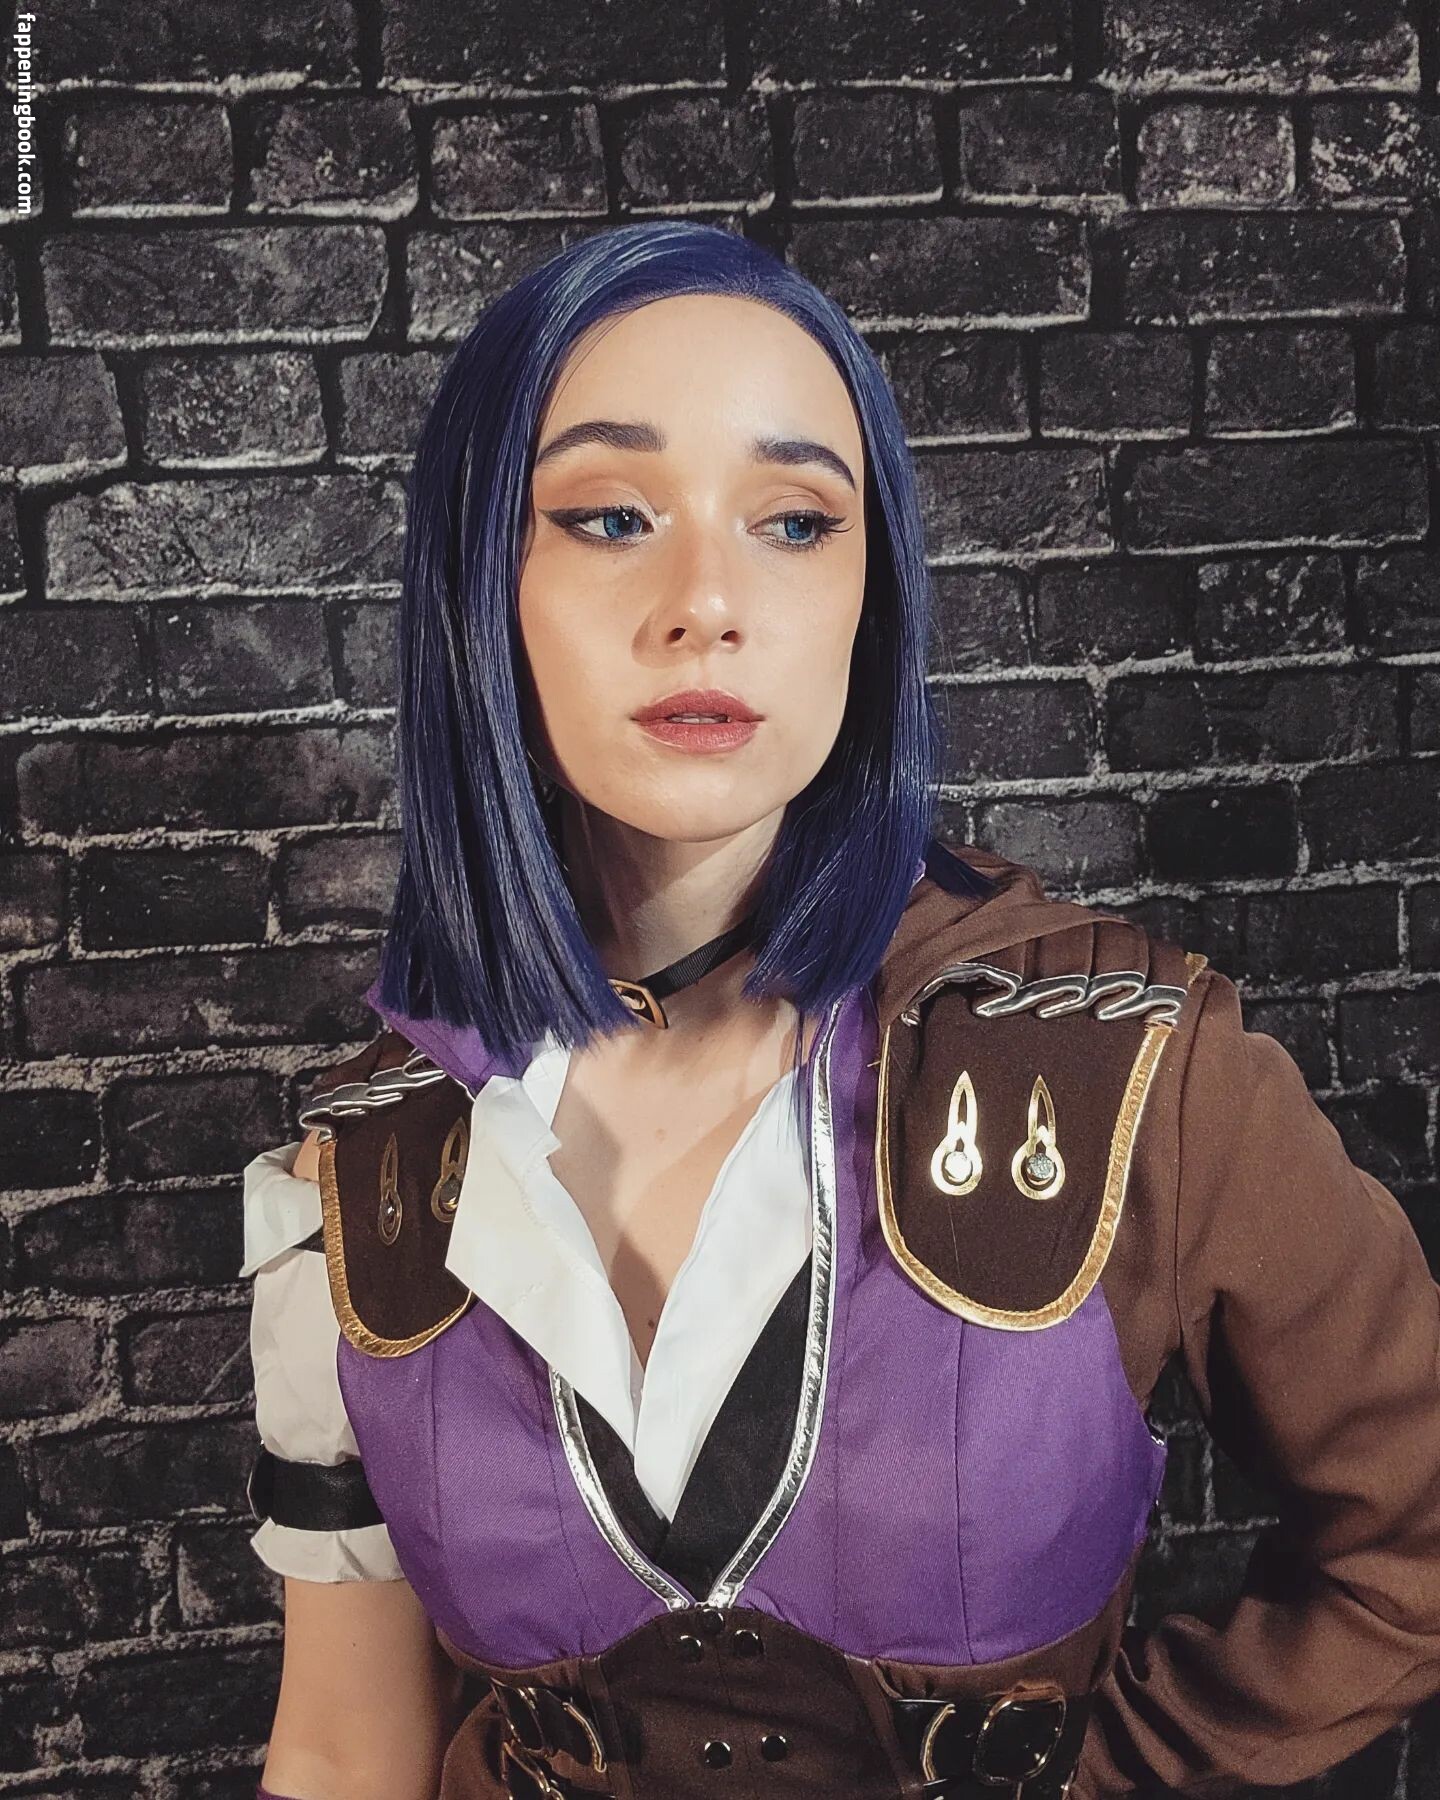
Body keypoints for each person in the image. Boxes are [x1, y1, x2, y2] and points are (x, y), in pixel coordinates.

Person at [239, 221, 1440, 1800]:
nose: (707, 601)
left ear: (870, 595)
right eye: (609, 516)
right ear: (482, 581)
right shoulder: (359, 1173)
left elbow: (1413, 1542)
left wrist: (1111, 1774)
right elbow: (344, 1744)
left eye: (796, 522)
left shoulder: (1140, 1069)